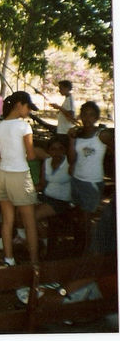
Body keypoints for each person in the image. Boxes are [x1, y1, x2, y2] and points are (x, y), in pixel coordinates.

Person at [0, 91, 40, 266]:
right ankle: (35, 263)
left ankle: (9, 259)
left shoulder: (0, 126)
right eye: (28, 107)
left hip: (3, 175)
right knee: (30, 223)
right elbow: (32, 155)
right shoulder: (24, 126)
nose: (29, 111)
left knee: (7, 220)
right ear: (19, 105)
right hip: (20, 175)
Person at [67, 101, 114, 253]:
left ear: (96, 117)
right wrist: (72, 140)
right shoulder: (78, 134)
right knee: (78, 216)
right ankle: (78, 246)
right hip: (77, 180)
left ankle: (89, 252)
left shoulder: (102, 135)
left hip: (92, 183)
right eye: (84, 115)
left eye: (91, 115)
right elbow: (71, 159)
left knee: (87, 220)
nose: (87, 119)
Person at [33, 136, 73, 252]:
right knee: (22, 208)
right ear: (48, 151)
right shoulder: (47, 162)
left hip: (61, 201)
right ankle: (27, 238)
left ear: (65, 150)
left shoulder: (69, 163)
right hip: (46, 196)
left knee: (33, 216)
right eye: (53, 149)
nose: (57, 152)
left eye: (60, 149)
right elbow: (42, 184)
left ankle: (45, 243)